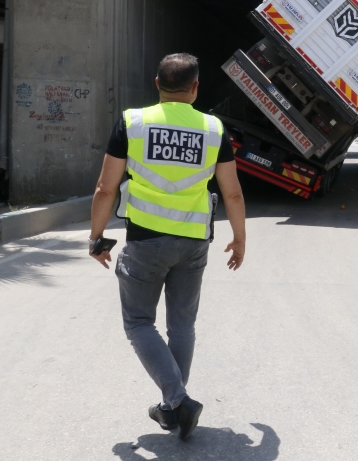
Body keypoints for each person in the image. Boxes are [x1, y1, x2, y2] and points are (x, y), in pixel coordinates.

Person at [88, 53, 246, 440]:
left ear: (157, 84)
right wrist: (239, 237)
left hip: (145, 241)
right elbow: (232, 192)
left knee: (139, 322)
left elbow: (106, 187)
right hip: (193, 243)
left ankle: (177, 399)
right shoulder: (213, 128)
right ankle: (172, 408)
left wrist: (97, 238)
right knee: (182, 325)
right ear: (195, 89)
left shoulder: (133, 122)